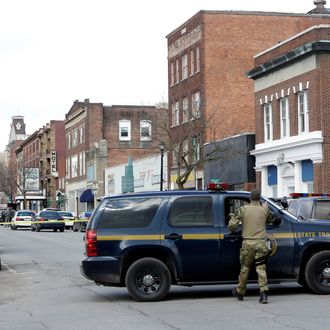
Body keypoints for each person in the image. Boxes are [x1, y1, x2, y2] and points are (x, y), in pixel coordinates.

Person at [229, 189, 275, 304]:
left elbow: (232, 226)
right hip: (261, 243)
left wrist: (236, 224)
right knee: (261, 268)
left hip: (248, 244)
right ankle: (264, 293)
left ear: (250, 198)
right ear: (259, 198)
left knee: (245, 268)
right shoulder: (264, 210)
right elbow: (272, 219)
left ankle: (240, 291)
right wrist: (265, 208)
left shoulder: (243, 210)